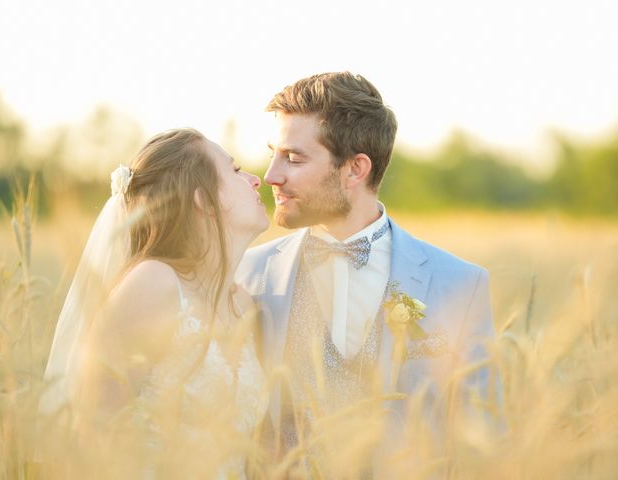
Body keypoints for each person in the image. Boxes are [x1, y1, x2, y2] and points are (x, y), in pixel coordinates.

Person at [235, 72, 498, 476]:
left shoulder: (460, 284)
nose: (271, 175)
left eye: (294, 157)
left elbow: (483, 439)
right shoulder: (248, 274)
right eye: (274, 154)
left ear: (355, 169)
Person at [39, 128, 270, 479]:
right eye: (235, 170)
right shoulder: (154, 285)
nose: (256, 180)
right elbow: (90, 436)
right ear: (204, 200)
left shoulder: (246, 306)